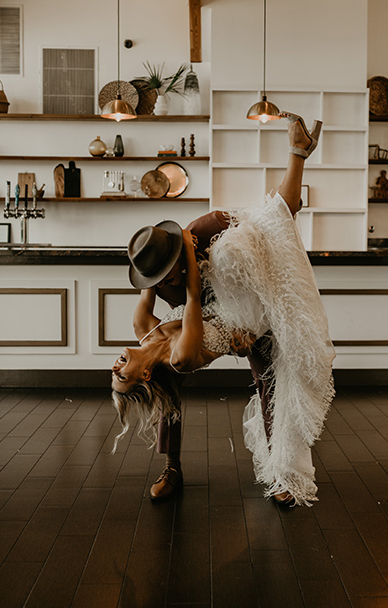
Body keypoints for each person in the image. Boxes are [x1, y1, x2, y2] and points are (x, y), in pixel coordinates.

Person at [112, 114, 335, 506]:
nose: (114, 368)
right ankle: (172, 468)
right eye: (122, 378)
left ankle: (285, 475)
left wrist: (181, 246)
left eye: (163, 275)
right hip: (221, 320)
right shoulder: (175, 351)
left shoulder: (209, 229)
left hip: (256, 306)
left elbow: (275, 228)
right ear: (142, 372)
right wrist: (186, 264)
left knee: (271, 388)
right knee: (168, 395)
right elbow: (195, 300)